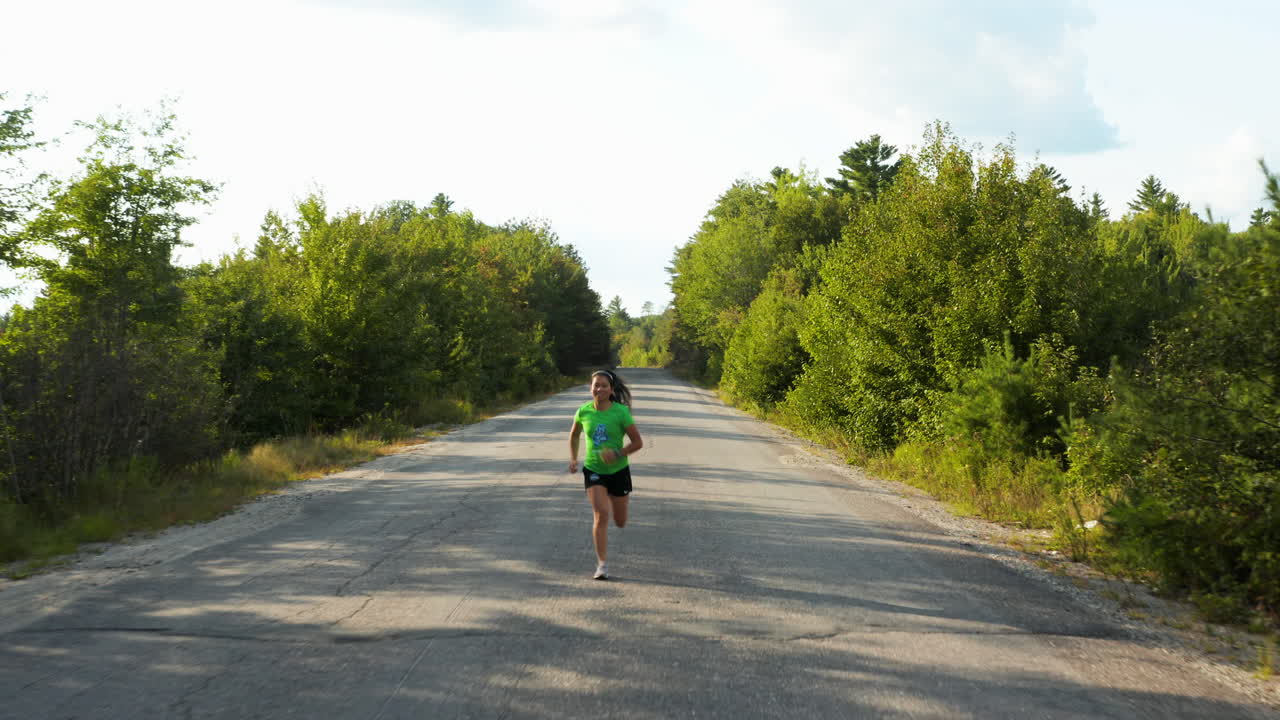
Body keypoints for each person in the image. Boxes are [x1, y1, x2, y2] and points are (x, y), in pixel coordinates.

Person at [569, 369, 643, 580]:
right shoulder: (583, 411)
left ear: (611, 390)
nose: (598, 388)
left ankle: (616, 501)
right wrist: (574, 458)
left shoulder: (620, 412)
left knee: (620, 521)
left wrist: (618, 453)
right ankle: (601, 565)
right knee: (601, 514)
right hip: (594, 470)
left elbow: (638, 442)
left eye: (603, 385)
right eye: (595, 385)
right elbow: (574, 435)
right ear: (590, 387)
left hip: (619, 470)